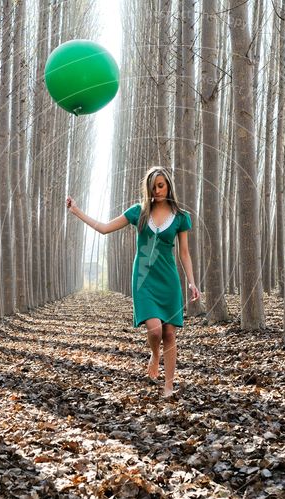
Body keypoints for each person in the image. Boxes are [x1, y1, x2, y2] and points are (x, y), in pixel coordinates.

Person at [66, 166, 200, 398]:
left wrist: (191, 282)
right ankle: (155, 355)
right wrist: (77, 211)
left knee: (169, 333)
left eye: (161, 185)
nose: (157, 190)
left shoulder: (181, 217)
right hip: (143, 279)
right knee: (156, 330)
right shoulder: (139, 212)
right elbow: (104, 228)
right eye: (153, 186)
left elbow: (184, 253)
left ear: (168, 185)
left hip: (168, 280)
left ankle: (169, 386)